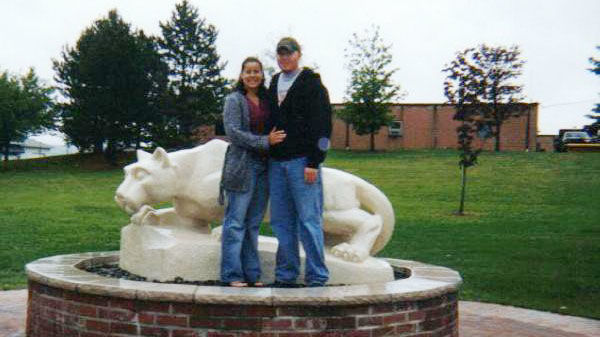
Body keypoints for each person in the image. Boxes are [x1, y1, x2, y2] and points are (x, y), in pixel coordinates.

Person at [267, 37, 332, 287]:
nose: (285, 58)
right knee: (281, 221)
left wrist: (315, 161)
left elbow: (324, 127)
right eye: (281, 54)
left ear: (298, 54)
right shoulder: (274, 82)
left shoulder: (312, 84)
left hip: (303, 163)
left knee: (308, 219)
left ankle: (317, 276)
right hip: (277, 163)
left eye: (289, 53)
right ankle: (286, 275)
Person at [219, 57, 286, 287]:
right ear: (241, 75)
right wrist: (265, 141)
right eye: (248, 71)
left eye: (256, 71)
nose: (252, 75)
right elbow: (234, 133)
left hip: (265, 168)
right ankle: (232, 274)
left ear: (262, 75)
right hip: (241, 168)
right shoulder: (234, 100)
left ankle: (252, 274)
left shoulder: (267, 101)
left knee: (253, 224)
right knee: (235, 223)